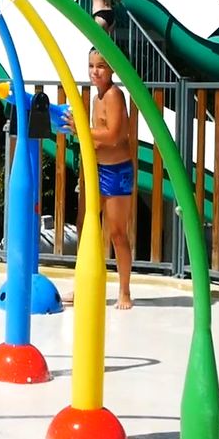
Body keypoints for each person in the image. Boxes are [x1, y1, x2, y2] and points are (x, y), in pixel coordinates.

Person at [64, 48, 135, 310]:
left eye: (101, 66)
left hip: (117, 171)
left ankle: (125, 290)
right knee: (85, 227)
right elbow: (96, 137)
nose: (95, 71)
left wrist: (82, 127)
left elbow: (115, 135)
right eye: (91, 66)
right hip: (97, 171)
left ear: (112, 69)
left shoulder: (115, 95)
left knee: (117, 233)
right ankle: (84, 285)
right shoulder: (96, 98)